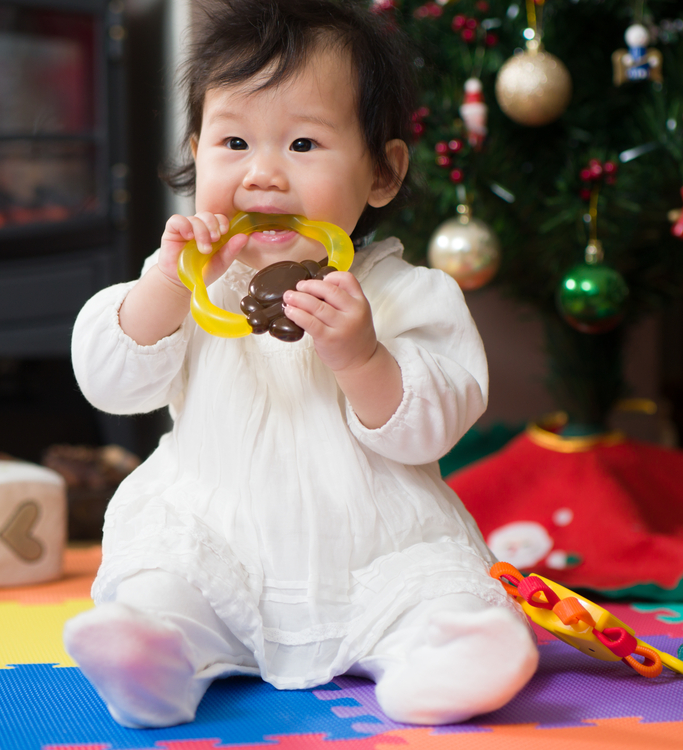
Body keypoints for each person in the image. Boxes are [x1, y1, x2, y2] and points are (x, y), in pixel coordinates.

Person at [64, 0, 537, 729]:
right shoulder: (192, 286)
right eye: (232, 142)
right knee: (165, 580)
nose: (261, 176)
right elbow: (110, 382)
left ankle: (447, 661)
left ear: (382, 172)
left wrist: (363, 357)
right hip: (216, 538)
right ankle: (152, 655)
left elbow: (431, 428)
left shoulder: (410, 294)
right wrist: (164, 281)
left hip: (378, 551)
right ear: (196, 154)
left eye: (304, 145)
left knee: (441, 592)